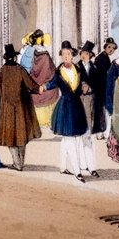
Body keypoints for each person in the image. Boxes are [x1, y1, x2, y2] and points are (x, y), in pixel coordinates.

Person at [40, 41, 95, 183]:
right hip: (65, 107)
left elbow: (84, 82)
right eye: (63, 54)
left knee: (70, 138)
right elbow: (52, 83)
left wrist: (85, 86)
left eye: (68, 54)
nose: (65, 56)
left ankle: (63, 166)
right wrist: (44, 87)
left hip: (76, 107)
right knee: (70, 138)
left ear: (72, 56)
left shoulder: (78, 70)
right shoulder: (58, 72)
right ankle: (77, 171)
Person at [0, 42, 41, 171]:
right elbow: (31, 85)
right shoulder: (20, 69)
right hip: (20, 107)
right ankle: (20, 162)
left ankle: (16, 162)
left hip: (7, 109)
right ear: (15, 58)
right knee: (21, 135)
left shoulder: (2, 70)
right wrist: (40, 89)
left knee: (10, 136)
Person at [29, 33, 59, 127]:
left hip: (35, 86)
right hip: (43, 88)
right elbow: (50, 73)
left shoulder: (33, 55)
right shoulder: (45, 56)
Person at [79, 41, 107, 137]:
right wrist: (82, 85)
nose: (84, 55)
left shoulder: (94, 68)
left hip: (91, 95)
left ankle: (89, 132)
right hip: (80, 95)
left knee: (90, 114)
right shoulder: (77, 67)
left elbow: (98, 82)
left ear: (90, 55)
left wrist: (91, 88)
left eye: (86, 54)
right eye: (82, 53)